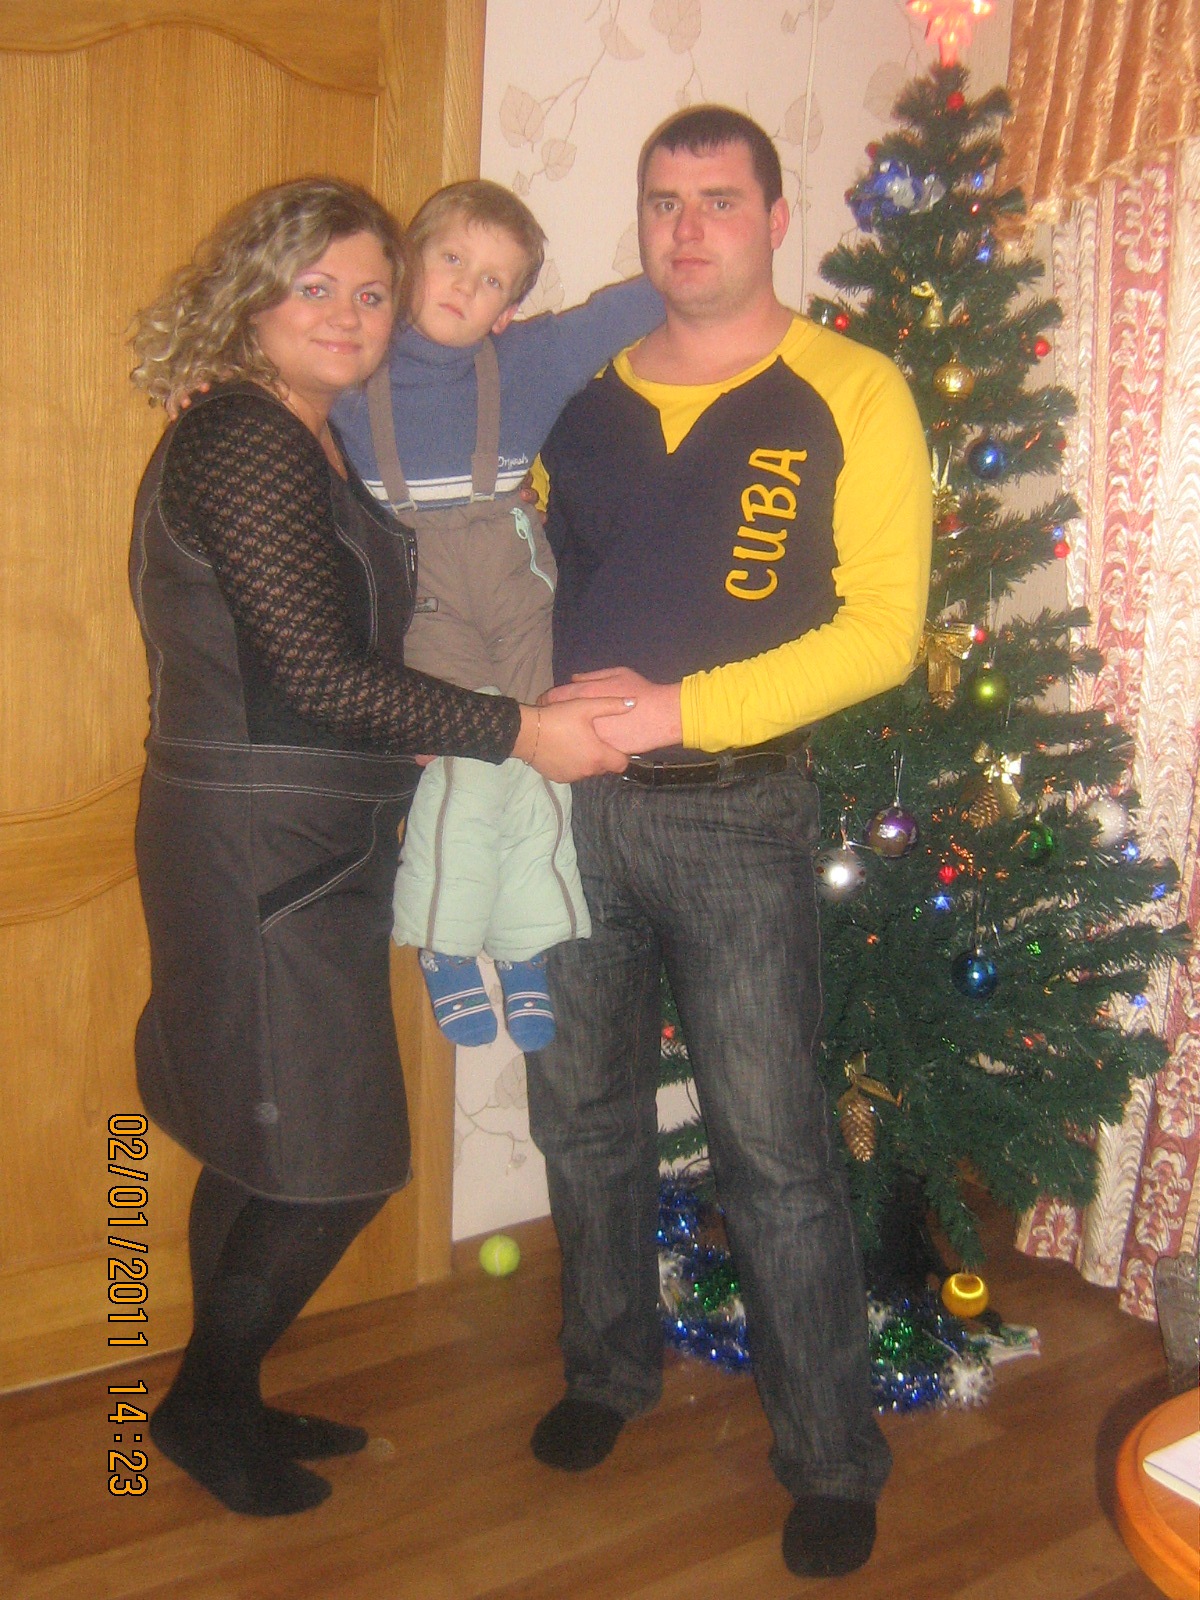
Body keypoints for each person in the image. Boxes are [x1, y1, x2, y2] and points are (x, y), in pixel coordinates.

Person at [127, 177, 635, 1519]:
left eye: (369, 290)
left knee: (262, 1139)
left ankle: (225, 1392)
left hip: (298, 832)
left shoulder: (307, 434)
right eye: (317, 287)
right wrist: (518, 732)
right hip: (261, 843)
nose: (349, 314)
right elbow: (319, 673)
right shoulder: (247, 438)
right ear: (252, 295)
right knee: (332, 1159)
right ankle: (198, 1405)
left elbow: (343, 649)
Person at [525, 108, 932, 1580]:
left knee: (774, 1150)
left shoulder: (853, 388)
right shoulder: (577, 396)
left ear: (773, 215)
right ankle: (606, 1367)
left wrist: (676, 709)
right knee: (582, 1117)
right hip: (570, 815)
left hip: (740, 815)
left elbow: (883, 633)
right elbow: (447, 495)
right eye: (662, 201)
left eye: (716, 199)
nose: (686, 227)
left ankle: (830, 1455)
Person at [333, 180, 662, 1051]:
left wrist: (699, 250)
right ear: (407, 263)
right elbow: (266, 363)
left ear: (509, 310)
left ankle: (524, 947)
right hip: (425, 596)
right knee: (471, 763)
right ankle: (444, 942)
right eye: (451, 260)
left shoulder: (529, 361)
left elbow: (631, 304)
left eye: (491, 281)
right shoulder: (349, 362)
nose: (464, 287)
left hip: (520, 588)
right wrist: (209, 377)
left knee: (546, 765)